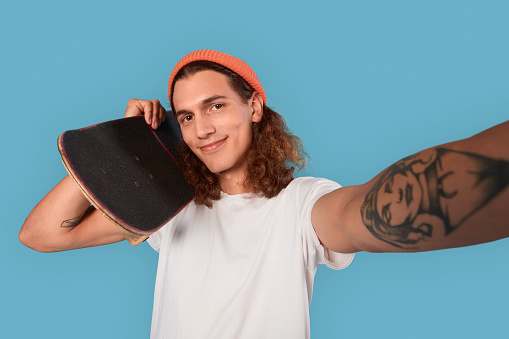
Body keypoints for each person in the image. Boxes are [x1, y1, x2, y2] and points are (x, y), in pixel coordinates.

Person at [19, 50, 509, 338]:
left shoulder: (302, 205)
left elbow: (366, 214)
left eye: (215, 105)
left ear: (254, 106)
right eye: (186, 116)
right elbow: (41, 234)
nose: (202, 128)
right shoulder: (168, 207)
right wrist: (120, 145)